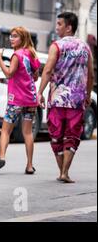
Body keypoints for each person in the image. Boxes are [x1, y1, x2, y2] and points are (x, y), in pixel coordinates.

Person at [38, 12, 94, 183]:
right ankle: (65, 172)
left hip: (57, 99)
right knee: (72, 136)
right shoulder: (85, 47)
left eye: (59, 24)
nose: (57, 28)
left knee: (56, 135)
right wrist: (88, 94)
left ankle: (61, 170)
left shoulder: (57, 46)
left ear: (69, 27)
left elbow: (47, 71)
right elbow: (91, 74)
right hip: (76, 101)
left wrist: (40, 92)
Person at [0, 26, 40, 174]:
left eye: (15, 36)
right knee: (28, 133)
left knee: (5, 130)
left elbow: (9, 74)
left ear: (22, 38)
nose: (11, 38)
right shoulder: (32, 54)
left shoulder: (16, 55)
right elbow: (35, 77)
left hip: (16, 100)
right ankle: (29, 165)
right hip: (30, 99)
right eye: (11, 36)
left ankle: (2, 158)